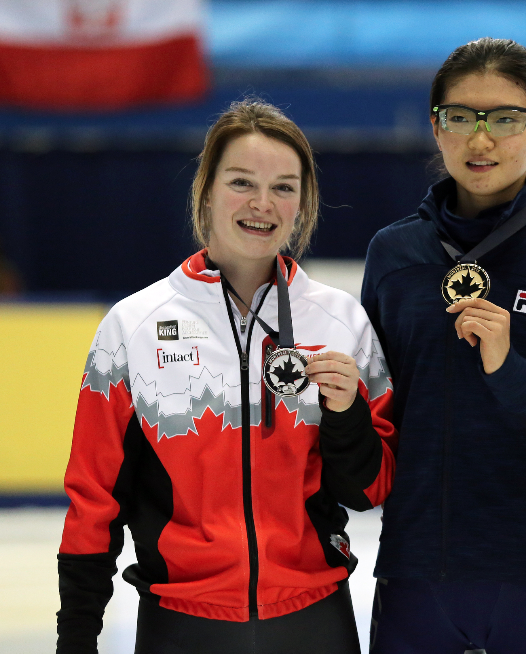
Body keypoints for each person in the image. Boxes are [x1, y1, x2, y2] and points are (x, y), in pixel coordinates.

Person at [56, 100, 397, 654]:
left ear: (303, 203)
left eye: (284, 187)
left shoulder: (341, 323)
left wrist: (347, 415)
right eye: (242, 182)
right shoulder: (134, 325)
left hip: (313, 620)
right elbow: (93, 499)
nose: (263, 204)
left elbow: (370, 490)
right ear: (207, 190)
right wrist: (76, 638)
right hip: (180, 622)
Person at [361, 37, 526, 654]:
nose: (481, 140)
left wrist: (509, 370)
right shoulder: (394, 256)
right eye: (461, 117)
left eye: (506, 119)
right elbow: (378, 429)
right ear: (437, 129)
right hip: (414, 581)